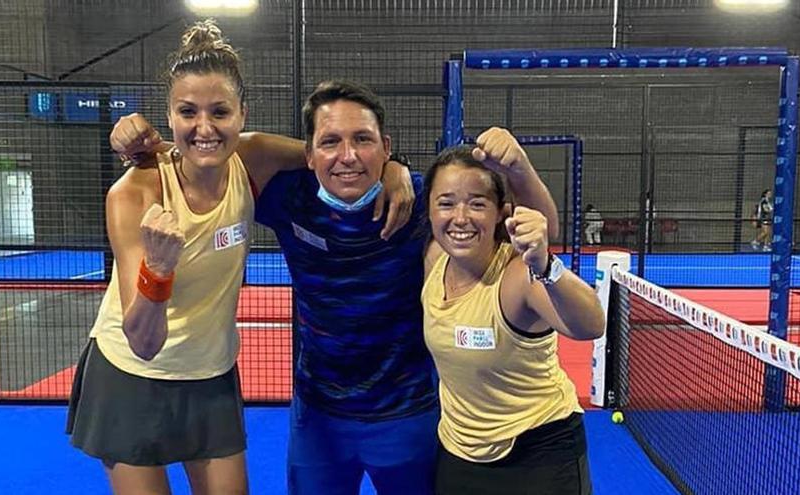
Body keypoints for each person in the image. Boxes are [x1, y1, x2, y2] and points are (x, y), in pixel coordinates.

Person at [112, 79, 560, 495]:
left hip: (408, 415)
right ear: (308, 154)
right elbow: (206, 157)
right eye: (330, 142)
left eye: (363, 140)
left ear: (385, 147)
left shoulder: (426, 201)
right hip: (319, 419)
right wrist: (139, 144)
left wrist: (519, 170)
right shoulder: (287, 196)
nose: (347, 156)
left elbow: (539, 234)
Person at [66, 22, 414, 495]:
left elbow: (332, 157)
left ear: (242, 115)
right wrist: (158, 270)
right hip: (131, 374)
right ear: (168, 117)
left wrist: (395, 169)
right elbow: (142, 340)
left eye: (220, 112)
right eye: (188, 112)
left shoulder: (251, 157)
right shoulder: (136, 193)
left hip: (210, 375)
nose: (204, 127)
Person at [422, 146, 606, 495]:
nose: (460, 217)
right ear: (430, 211)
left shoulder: (518, 276)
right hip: (458, 454)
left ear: (500, 213)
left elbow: (591, 324)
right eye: (446, 203)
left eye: (477, 203)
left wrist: (547, 266)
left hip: (539, 457)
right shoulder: (434, 257)